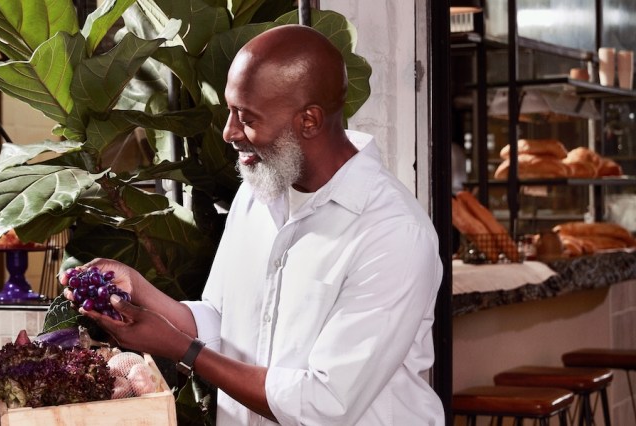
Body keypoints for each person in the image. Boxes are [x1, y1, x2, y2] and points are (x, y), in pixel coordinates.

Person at [69, 25, 444, 425]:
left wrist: (182, 349)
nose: (230, 132)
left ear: (310, 121)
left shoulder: (393, 233)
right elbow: (222, 320)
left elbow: (324, 404)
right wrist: (139, 291)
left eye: (246, 118)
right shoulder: (259, 190)